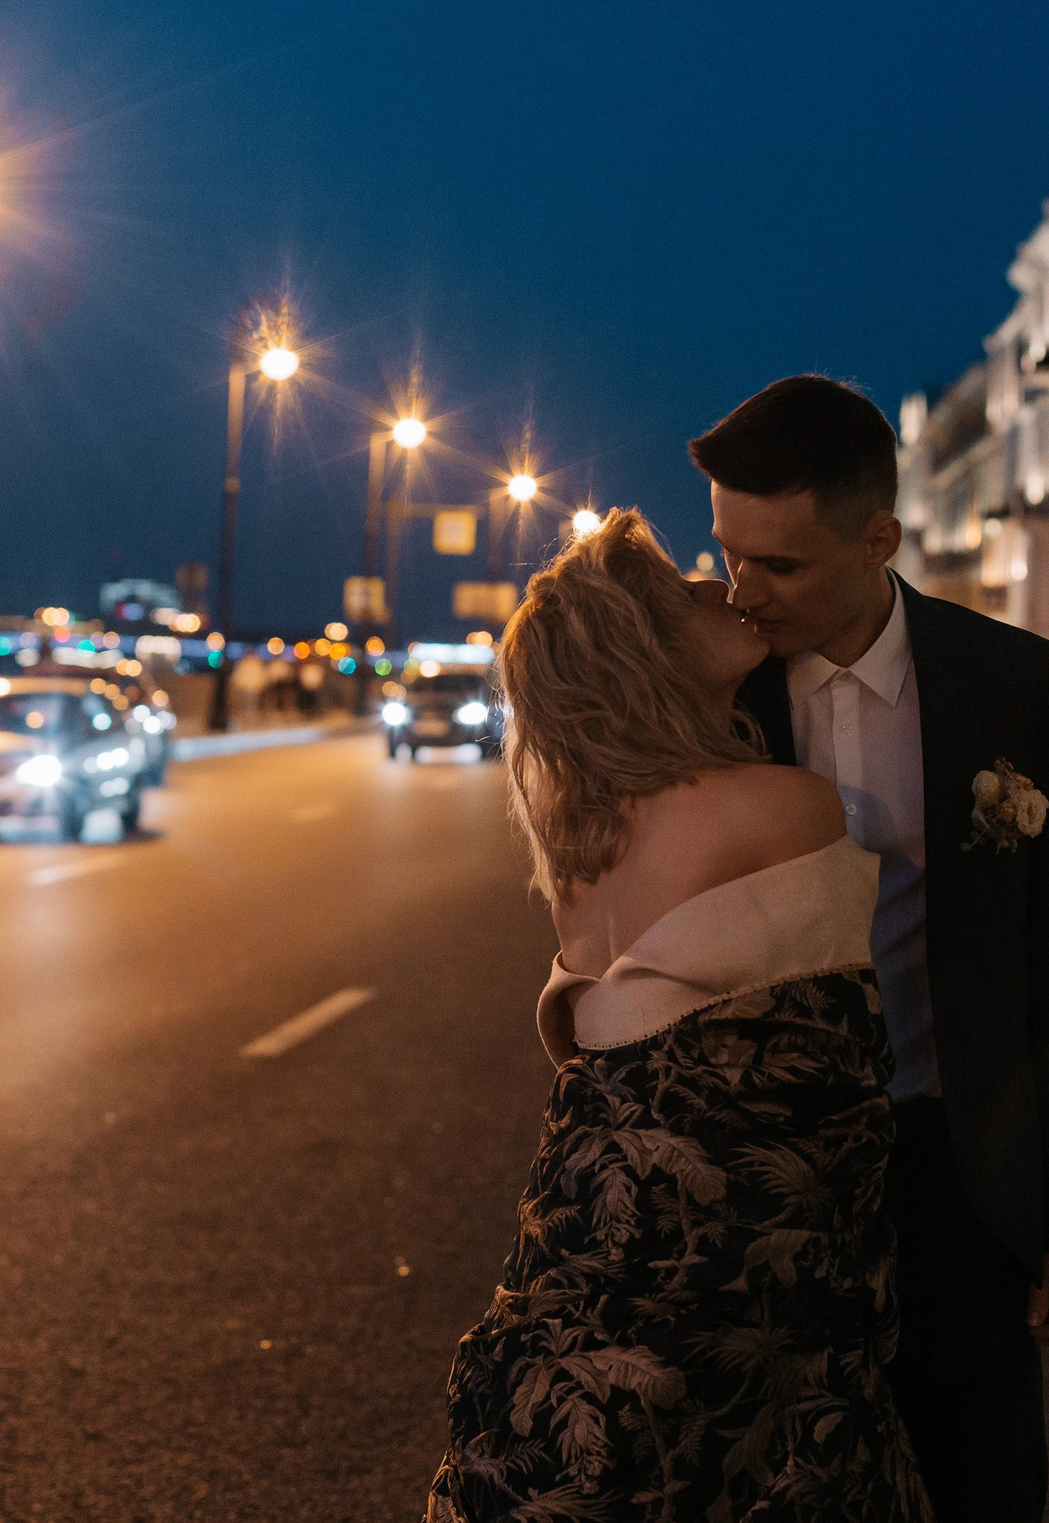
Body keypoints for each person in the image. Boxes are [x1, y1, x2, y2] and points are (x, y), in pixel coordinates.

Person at [424, 509, 930, 1523]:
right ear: (641, 646)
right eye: (688, 588)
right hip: (721, 1260)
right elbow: (834, 1068)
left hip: (585, 1225)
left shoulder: (580, 848)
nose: (724, 589)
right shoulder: (783, 807)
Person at [689, 375, 1049, 1523]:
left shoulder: (1009, 681)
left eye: (777, 564)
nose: (740, 590)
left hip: (951, 1153)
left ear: (879, 537)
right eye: (726, 552)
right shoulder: (706, 692)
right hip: (760, 1168)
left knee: (977, 1476)